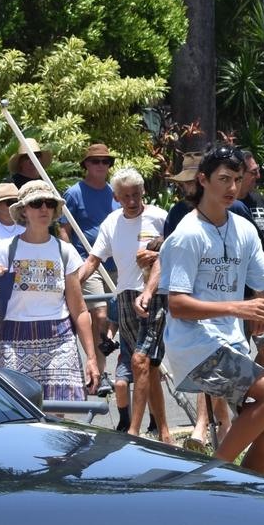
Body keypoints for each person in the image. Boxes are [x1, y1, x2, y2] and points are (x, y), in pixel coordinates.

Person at [158, 144, 264, 473]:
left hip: (231, 346)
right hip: (196, 348)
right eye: (223, 179)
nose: (231, 188)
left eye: (237, 179)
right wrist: (239, 308)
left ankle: (241, 496)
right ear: (203, 180)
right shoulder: (187, 234)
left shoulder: (244, 230)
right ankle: (209, 477)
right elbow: (177, 304)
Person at [79, 167, 172, 441]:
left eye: (136, 194)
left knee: (139, 360)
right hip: (125, 297)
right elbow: (93, 261)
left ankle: (134, 432)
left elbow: (179, 246)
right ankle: (164, 432)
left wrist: (158, 250)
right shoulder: (111, 223)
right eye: (126, 196)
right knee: (149, 368)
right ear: (117, 198)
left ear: (143, 193)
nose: (132, 201)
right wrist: (70, 286)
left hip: (155, 295)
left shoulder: (159, 216)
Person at [0, 181, 100, 402]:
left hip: (59, 337)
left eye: (49, 203)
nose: (44, 209)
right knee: (19, 411)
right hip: (14, 337)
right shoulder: (4, 251)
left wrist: (91, 358)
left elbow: (79, 309)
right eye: (37, 203)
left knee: (61, 411)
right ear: (24, 211)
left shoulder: (64, 251)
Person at [62, 143, 121, 397]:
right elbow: (63, 228)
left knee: (115, 316)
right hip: (88, 262)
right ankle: (99, 370)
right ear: (85, 164)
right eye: (95, 161)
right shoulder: (74, 193)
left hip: (116, 262)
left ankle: (101, 363)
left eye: (105, 161)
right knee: (99, 313)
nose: (100, 166)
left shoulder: (114, 193)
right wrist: (70, 257)